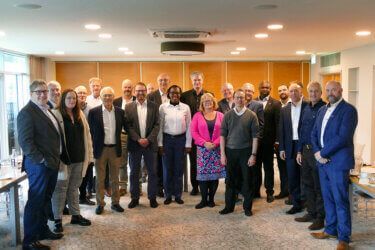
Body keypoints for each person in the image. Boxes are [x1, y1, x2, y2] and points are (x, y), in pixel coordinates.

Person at [17, 80, 65, 250]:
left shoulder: (47, 109)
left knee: (45, 200)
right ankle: (29, 241)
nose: (43, 94)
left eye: (44, 91)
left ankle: (42, 230)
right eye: (38, 92)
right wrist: (42, 160)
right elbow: (25, 142)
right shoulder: (27, 113)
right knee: (35, 202)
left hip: (51, 163)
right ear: (31, 94)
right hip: (39, 165)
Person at [311, 81, 358, 250]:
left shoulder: (349, 110)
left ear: (341, 91)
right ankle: (330, 229)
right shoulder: (323, 109)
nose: (330, 93)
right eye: (328, 90)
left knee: (340, 200)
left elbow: (343, 137)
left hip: (338, 163)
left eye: (334, 90)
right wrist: (317, 152)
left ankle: (344, 238)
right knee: (328, 198)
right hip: (323, 163)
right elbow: (314, 133)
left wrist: (322, 153)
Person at [51, 89, 93, 232]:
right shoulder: (56, 114)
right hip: (64, 160)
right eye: (69, 98)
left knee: (74, 187)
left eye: (74, 98)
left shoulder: (79, 114)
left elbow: (87, 136)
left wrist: (90, 156)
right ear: (63, 99)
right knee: (60, 189)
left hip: (79, 158)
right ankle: (57, 219)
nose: (72, 100)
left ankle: (75, 215)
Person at [219, 89, 259, 216]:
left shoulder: (252, 115)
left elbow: (255, 137)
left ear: (245, 99)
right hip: (230, 152)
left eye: (242, 97)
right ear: (234, 99)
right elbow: (222, 136)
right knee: (230, 180)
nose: (240, 100)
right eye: (237, 97)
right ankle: (229, 207)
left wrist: (253, 155)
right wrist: (223, 154)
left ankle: (247, 208)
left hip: (246, 152)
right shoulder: (228, 115)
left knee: (247, 180)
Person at [88, 87, 125, 215]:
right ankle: (100, 204)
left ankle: (115, 203)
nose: (108, 98)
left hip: (115, 149)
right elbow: (90, 132)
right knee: (100, 178)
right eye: (105, 95)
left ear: (113, 97)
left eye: (110, 95)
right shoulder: (93, 112)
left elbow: (125, 128)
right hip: (100, 149)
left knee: (115, 178)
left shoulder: (120, 112)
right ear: (101, 97)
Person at [295, 81, 326, 230]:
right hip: (305, 152)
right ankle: (311, 212)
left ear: (321, 93)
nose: (313, 94)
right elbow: (302, 130)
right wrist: (299, 151)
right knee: (307, 184)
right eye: (311, 91)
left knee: (318, 185)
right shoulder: (306, 108)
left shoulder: (325, 108)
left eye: (316, 91)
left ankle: (320, 217)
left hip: (317, 152)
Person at [125, 82, 160, 209]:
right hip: (135, 144)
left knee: (152, 172)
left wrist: (148, 139)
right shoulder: (128, 107)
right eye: (138, 91)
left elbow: (157, 125)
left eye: (143, 90)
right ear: (134, 92)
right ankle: (134, 198)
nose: (140, 93)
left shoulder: (154, 106)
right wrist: (138, 139)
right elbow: (127, 126)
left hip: (150, 145)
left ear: (146, 92)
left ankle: (152, 198)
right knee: (134, 172)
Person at [158, 85, 191, 205]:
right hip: (167, 140)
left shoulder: (185, 108)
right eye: (172, 93)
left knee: (179, 168)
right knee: (167, 169)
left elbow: (189, 126)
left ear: (180, 94)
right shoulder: (162, 107)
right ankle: (168, 195)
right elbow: (160, 127)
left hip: (180, 140)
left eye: (177, 93)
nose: (175, 95)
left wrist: (188, 144)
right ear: (168, 94)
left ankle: (177, 195)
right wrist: (160, 144)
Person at [191, 93, 225, 209]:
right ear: (202, 103)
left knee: (214, 176)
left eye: (210, 100)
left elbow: (224, 132)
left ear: (214, 102)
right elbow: (194, 132)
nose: (208, 102)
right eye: (205, 100)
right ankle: (203, 200)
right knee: (203, 176)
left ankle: (211, 200)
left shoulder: (221, 115)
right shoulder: (197, 116)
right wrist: (204, 143)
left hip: (216, 150)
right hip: (202, 150)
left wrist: (215, 143)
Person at [279, 83, 308, 214]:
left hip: (305, 146)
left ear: (301, 92)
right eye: (291, 91)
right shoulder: (285, 109)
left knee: (306, 176)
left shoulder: (308, 106)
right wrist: (282, 148)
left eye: (296, 91)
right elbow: (282, 130)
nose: (293, 93)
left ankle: (307, 203)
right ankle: (296, 204)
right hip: (290, 146)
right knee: (292, 176)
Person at [181, 71, 210, 195]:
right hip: (191, 135)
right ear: (191, 81)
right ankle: (195, 186)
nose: (197, 82)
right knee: (193, 162)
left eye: (199, 80)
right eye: (194, 80)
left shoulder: (209, 95)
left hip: (205, 135)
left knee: (205, 161)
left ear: (202, 81)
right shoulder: (185, 96)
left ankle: (206, 185)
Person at [255, 80, 281, 203]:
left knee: (268, 167)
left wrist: (276, 140)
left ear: (270, 89)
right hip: (255, 142)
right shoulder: (253, 102)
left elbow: (278, 123)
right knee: (255, 167)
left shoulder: (276, 103)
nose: (265, 89)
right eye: (262, 87)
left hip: (269, 142)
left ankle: (269, 191)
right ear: (259, 88)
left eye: (267, 87)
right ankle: (255, 190)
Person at [147, 73, 170, 197]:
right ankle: (158, 187)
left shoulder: (174, 95)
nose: (163, 82)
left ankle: (168, 186)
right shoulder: (151, 96)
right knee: (156, 163)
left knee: (167, 162)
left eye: (165, 80)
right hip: (155, 134)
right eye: (161, 80)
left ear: (169, 81)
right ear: (157, 82)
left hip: (169, 134)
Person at [113, 79, 136, 196]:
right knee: (122, 162)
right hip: (121, 136)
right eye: (125, 87)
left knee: (135, 162)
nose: (127, 89)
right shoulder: (116, 101)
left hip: (135, 137)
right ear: (122, 88)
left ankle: (137, 186)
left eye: (129, 87)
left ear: (132, 88)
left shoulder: (138, 101)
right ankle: (122, 186)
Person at [242, 82, 264, 198]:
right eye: (246, 90)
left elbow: (261, 126)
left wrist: (256, 141)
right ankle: (244, 190)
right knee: (243, 168)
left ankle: (255, 192)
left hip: (254, 143)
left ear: (253, 92)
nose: (248, 93)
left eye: (250, 91)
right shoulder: (238, 104)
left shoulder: (258, 105)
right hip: (241, 144)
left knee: (255, 169)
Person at [75, 85, 96, 205]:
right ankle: (75, 196)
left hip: (89, 145)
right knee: (77, 173)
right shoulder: (71, 109)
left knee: (88, 171)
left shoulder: (91, 110)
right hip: (76, 147)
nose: (82, 95)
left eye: (84, 93)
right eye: (79, 93)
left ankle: (84, 195)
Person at [275, 84, 290, 200]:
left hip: (292, 143)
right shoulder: (276, 105)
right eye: (280, 90)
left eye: (284, 89)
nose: (282, 92)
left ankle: (293, 193)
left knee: (292, 168)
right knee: (282, 168)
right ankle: (284, 190)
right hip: (279, 143)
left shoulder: (293, 104)